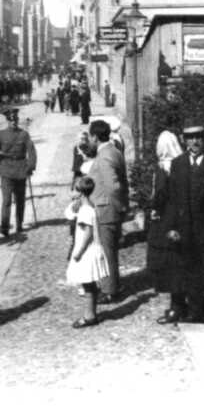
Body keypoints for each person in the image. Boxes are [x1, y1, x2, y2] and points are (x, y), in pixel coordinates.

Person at [163, 125, 204, 324]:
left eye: (198, 138)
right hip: (185, 227)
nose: (194, 142)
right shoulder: (178, 163)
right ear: (184, 141)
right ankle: (194, 311)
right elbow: (172, 198)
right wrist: (171, 227)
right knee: (188, 269)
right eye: (190, 138)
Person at [87, 119, 129, 304]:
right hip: (111, 207)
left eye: (91, 137)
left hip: (106, 208)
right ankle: (113, 284)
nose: (90, 140)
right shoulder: (114, 151)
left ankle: (110, 290)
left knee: (106, 252)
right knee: (110, 249)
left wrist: (118, 207)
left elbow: (113, 186)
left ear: (95, 137)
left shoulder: (104, 156)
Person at [147, 130, 187, 324]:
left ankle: (176, 307)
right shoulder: (184, 164)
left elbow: (160, 195)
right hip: (182, 219)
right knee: (181, 262)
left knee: (170, 264)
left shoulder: (163, 168)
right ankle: (182, 303)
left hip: (167, 221)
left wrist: (154, 208)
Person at [66, 176, 110, 328]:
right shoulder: (89, 206)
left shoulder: (85, 211)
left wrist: (79, 252)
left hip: (87, 251)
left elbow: (88, 234)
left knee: (87, 285)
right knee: (90, 285)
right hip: (91, 249)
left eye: (73, 190)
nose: (71, 193)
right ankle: (91, 313)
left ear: (80, 192)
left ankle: (89, 316)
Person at [0, 107, 37, 237]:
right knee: (6, 201)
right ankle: (4, 227)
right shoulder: (1, 134)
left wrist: (31, 167)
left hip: (21, 170)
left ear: (18, 120)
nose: (13, 122)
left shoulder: (24, 134)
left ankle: (19, 224)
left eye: (15, 120)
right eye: (11, 120)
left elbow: (32, 151)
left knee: (20, 200)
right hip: (6, 171)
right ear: (7, 121)